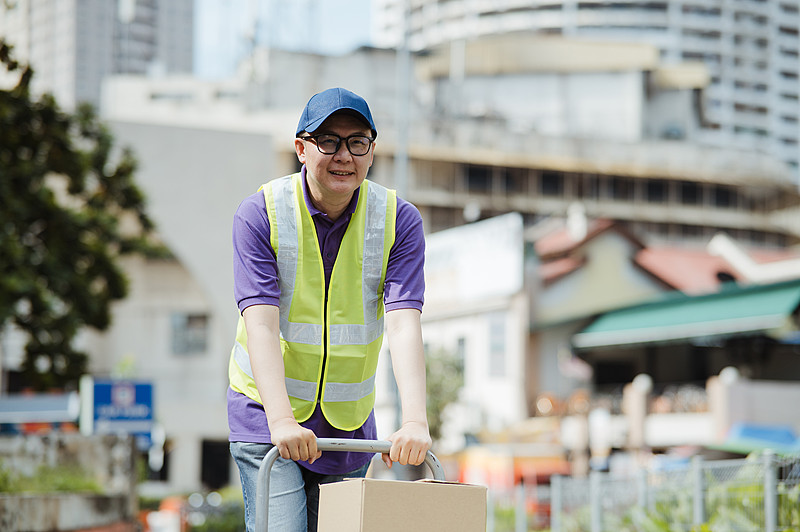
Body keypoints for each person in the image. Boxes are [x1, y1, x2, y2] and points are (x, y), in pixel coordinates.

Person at [227, 87, 432, 532]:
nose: (344, 156)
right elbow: (260, 324)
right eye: (329, 141)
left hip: (348, 427)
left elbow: (403, 324)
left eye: (357, 142)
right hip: (267, 416)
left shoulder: (399, 219)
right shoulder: (260, 213)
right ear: (301, 148)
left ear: (372, 152)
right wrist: (281, 421)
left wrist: (415, 420)